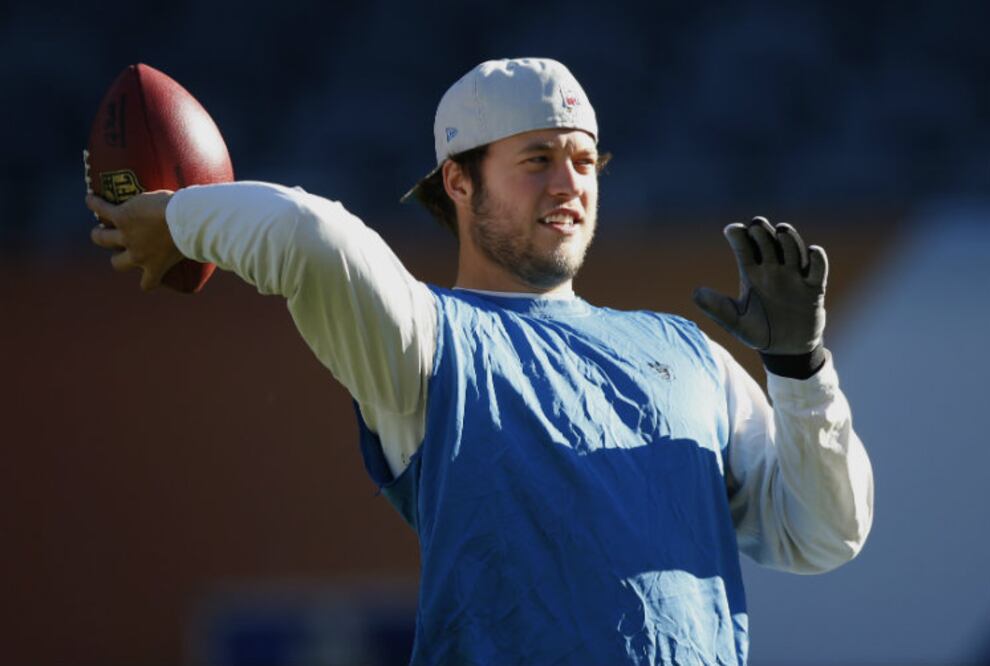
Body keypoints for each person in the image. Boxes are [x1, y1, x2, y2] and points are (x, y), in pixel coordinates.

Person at [87, 58, 873, 665]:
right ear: (458, 181)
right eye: (536, 159)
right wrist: (179, 218)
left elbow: (824, 533)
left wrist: (799, 370)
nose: (569, 182)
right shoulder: (426, 339)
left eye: (582, 159)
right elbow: (310, 236)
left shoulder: (685, 351)